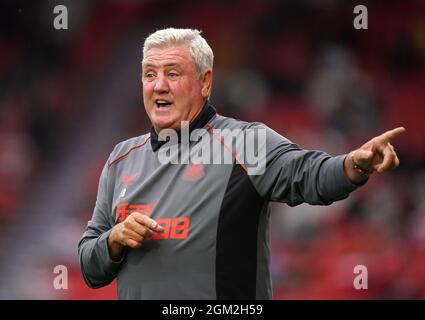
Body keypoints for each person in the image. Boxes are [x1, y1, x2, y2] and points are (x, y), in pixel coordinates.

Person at [78, 28, 405, 299]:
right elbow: (91, 268)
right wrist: (113, 240)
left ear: (205, 82)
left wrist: (354, 165)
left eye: (172, 73)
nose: (158, 85)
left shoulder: (244, 143)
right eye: (150, 74)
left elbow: (308, 175)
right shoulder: (122, 158)